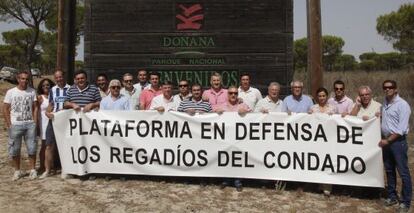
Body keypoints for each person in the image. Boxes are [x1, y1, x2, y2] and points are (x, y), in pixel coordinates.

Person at [378, 80, 411, 212]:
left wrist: (388, 141)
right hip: (387, 141)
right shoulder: (385, 103)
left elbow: (401, 129)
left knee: (403, 172)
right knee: (389, 170)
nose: (387, 89)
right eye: (385, 87)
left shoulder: (402, 105)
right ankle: (392, 196)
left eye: (390, 87)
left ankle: (405, 202)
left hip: (397, 143)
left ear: (396, 89)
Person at [213, 86, 251, 192]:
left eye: (235, 93)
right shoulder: (222, 106)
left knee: (237, 159)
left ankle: (238, 181)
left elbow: (255, 117)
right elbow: (209, 116)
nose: (233, 95)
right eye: (230, 93)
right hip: (225, 138)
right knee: (226, 158)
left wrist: (246, 112)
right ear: (227, 94)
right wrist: (216, 112)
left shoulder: (242, 105)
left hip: (240, 139)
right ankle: (226, 180)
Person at [3, 70, 38, 181]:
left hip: (29, 124)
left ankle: (32, 170)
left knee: (32, 148)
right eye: (22, 78)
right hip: (15, 125)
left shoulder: (32, 92)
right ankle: (17, 171)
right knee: (15, 149)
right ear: (18, 79)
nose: (25, 81)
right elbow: (5, 108)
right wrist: (9, 124)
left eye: (27, 79)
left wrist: (35, 121)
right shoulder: (11, 92)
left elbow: (35, 107)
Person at [40, 70, 71, 179]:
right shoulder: (53, 90)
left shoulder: (70, 89)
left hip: (66, 121)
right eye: (56, 77)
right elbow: (51, 104)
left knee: (66, 146)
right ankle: (47, 170)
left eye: (60, 77)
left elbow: (71, 104)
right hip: (53, 120)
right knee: (49, 145)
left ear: (64, 77)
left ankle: (65, 169)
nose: (59, 79)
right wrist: (47, 112)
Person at [308, 87, 336, 196]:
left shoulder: (333, 109)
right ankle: (319, 184)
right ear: (316, 97)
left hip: (329, 140)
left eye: (323, 95)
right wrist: (308, 115)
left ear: (327, 96)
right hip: (317, 140)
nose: (322, 98)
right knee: (318, 162)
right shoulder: (313, 108)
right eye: (319, 96)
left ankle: (327, 186)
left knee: (328, 162)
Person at [36, 78, 55, 173]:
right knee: (44, 146)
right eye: (43, 85)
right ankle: (41, 166)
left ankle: (51, 165)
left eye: (47, 85)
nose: (46, 87)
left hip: (52, 123)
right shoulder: (40, 97)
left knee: (51, 146)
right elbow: (36, 111)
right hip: (43, 123)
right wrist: (37, 125)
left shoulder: (53, 96)